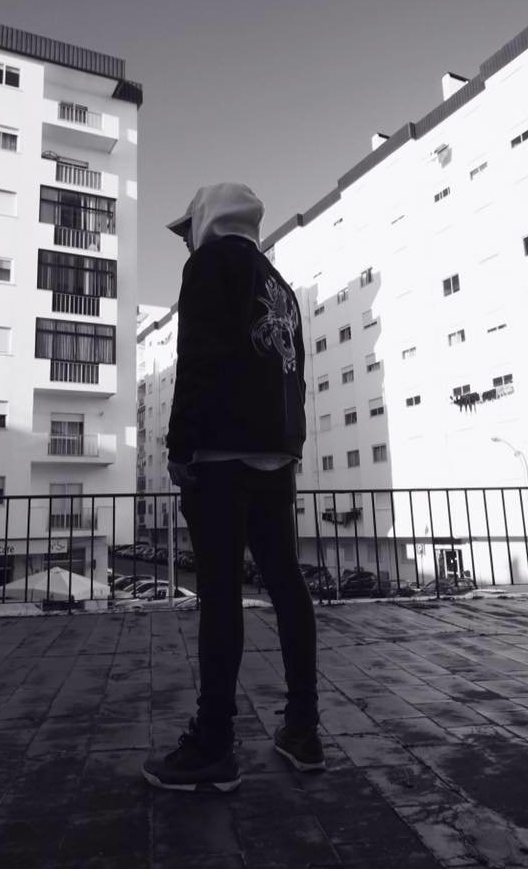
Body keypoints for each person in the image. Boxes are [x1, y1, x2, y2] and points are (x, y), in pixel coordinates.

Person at [141, 182, 323, 793]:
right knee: (286, 584)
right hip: (276, 456)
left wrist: (179, 446)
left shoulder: (208, 265)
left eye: (187, 228)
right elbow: (295, 373)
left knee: (220, 593)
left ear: (207, 218)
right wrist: (291, 445)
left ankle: (214, 744)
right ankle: (303, 728)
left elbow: (197, 358)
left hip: (220, 456)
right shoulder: (280, 284)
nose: (185, 241)